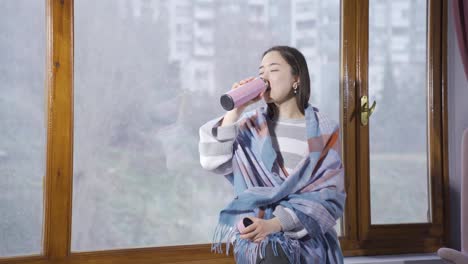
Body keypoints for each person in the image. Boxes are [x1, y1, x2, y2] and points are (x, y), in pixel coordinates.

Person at [198, 46, 346, 264]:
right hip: (260, 243)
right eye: (260, 73)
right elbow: (211, 161)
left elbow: (329, 196)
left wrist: (275, 224)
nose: (264, 77)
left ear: (296, 78)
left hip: (309, 240)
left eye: (273, 70)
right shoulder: (250, 127)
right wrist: (235, 111)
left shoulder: (323, 131)